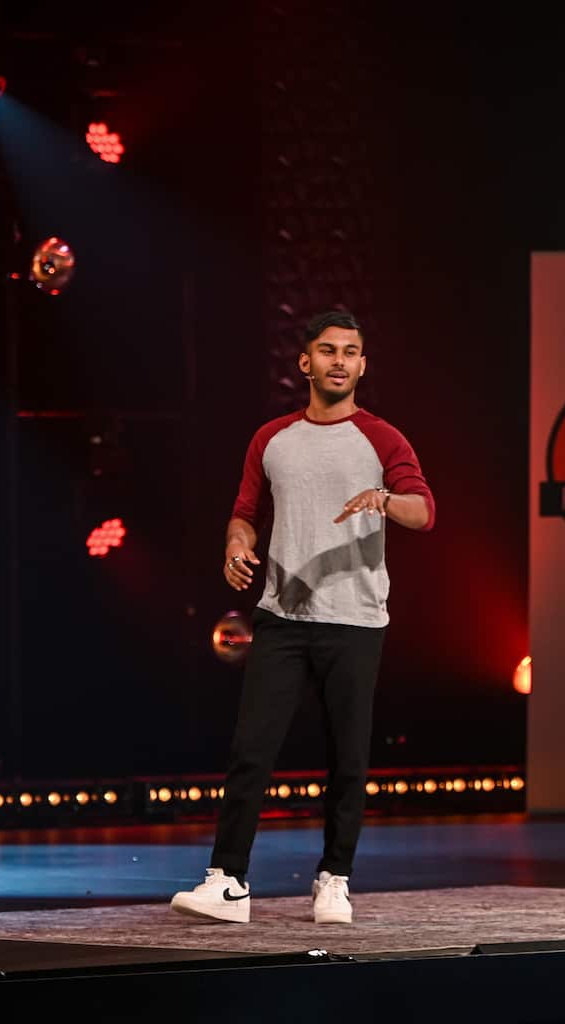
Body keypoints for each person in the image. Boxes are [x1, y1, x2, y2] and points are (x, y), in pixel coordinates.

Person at [171, 310, 435, 924]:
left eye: (350, 351)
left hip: (356, 620)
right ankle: (228, 879)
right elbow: (244, 511)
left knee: (348, 757)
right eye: (327, 350)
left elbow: (424, 511)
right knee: (251, 750)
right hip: (282, 617)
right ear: (305, 362)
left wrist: (386, 499)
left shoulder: (383, 438)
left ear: (363, 365)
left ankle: (335, 879)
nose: (339, 360)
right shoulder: (272, 438)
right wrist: (235, 546)